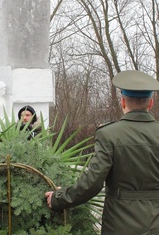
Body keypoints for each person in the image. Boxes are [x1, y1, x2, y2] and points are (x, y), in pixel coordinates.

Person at [45, 70, 159, 235]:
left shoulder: (109, 134)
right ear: (150, 103)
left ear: (123, 102)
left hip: (120, 225)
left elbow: (92, 183)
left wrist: (59, 197)